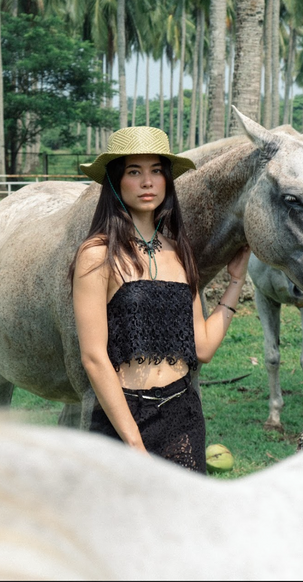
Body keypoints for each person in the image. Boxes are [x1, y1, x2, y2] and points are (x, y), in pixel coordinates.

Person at [71, 126, 250, 473]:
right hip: (123, 420)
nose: (147, 182)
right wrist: (135, 444)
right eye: (134, 172)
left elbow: (203, 347)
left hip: (183, 416)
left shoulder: (180, 253)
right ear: (115, 181)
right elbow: (93, 358)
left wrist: (235, 281)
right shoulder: (96, 255)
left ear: (167, 180)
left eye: (156, 171)